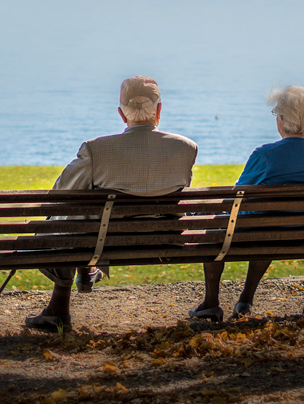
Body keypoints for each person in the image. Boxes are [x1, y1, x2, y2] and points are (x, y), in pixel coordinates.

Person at [25, 75, 197, 333]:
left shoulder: (97, 150)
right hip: (162, 240)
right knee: (84, 218)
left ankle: (60, 306)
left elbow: (60, 194)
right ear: (159, 110)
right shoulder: (186, 148)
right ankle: (86, 272)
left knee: (66, 218)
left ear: (121, 113)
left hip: (101, 241)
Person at [189, 85, 304, 323]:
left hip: (256, 232)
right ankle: (246, 300)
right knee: (269, 227)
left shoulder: (265, 154)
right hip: (297, 232)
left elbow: (237, 196)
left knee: (219, 231)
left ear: (282, 121)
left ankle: (211, 303)